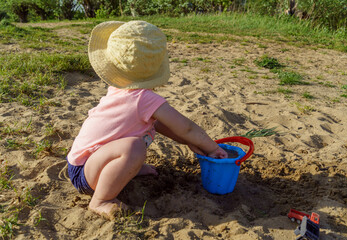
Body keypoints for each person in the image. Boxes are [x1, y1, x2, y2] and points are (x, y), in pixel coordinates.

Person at [67, 20, 228, 220]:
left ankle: (127, 168)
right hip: (84, 171)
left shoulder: (124, 90)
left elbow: (162, 124)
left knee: (133, 148)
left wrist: (189, 142)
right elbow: (186, 127)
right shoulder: (143, 98)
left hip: (92, 162)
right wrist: (212, 148)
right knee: (134, 147)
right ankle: (101, 200)